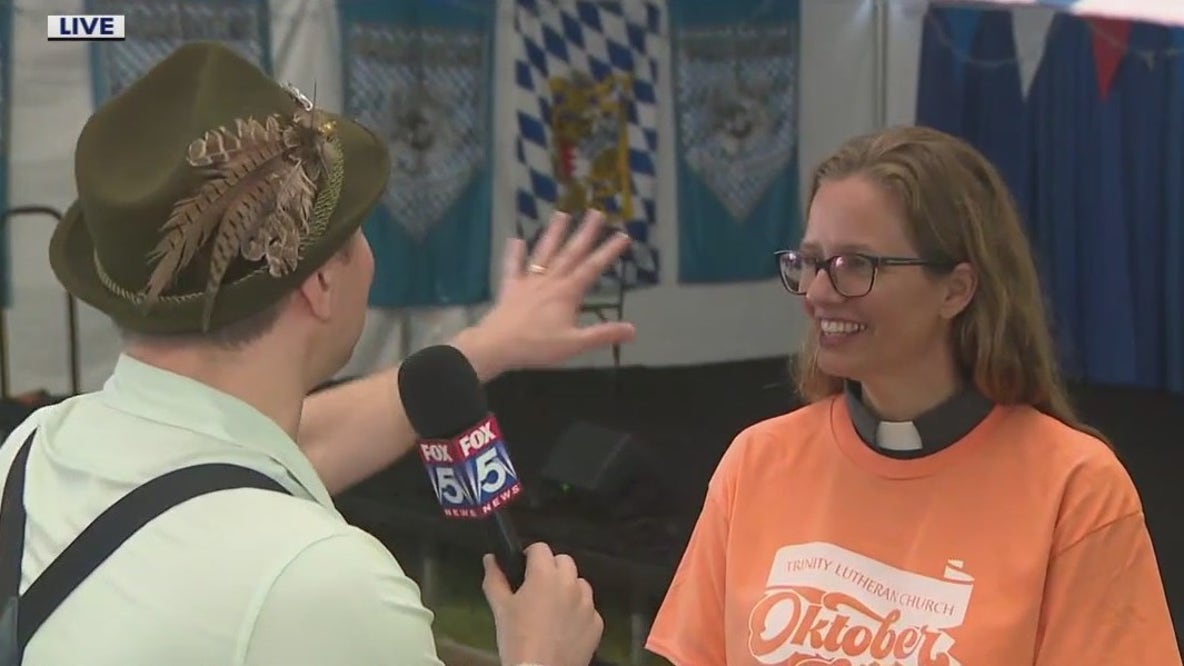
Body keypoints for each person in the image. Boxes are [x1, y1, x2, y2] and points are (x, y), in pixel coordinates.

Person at [0, 42, 634, 665]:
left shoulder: (31, 454)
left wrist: (487, 345)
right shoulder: (323, 585)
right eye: (358, 227)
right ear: (321, 282)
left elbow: (261, 459)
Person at [645, 126, 1181, 665]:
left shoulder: (1075, 488)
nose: (819, 293)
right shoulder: (756, 463)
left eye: (857, 264)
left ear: (956, 289)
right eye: (811, 262)